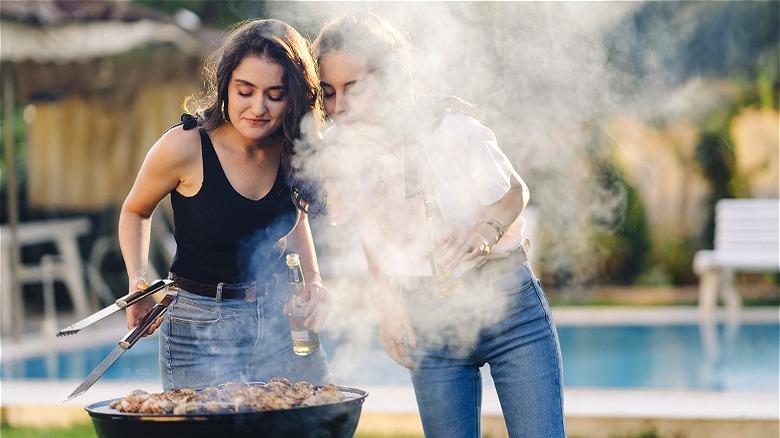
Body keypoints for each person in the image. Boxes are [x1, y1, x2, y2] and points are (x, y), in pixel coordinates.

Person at [311, 12, 566, 437]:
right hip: (427, 321)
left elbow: (514, 191)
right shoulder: (341, 156)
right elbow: (370, 231)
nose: (340, 106)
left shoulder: (449, 128)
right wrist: (388, 305)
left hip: (510, 311)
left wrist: (483, 233)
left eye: (353, 87)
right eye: (329, 92)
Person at [118, 18, 333, 391]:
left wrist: (313, 280)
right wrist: (138, 279)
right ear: (226, 87)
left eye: (275, 94)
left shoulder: (291, 147)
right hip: (198, 329)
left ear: (294, 96)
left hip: (281, 320)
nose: (258, 107)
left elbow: (294, 216)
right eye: (245, 90)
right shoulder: (184, 147)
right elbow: (135, 210)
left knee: (319, 422)